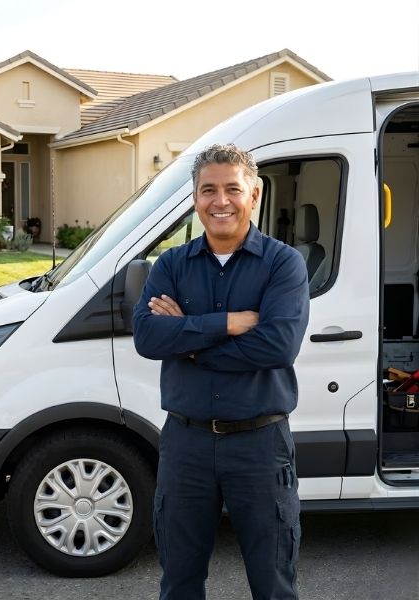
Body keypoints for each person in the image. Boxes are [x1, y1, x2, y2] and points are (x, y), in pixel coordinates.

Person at [132, 143, 310, 600]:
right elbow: (148, 338)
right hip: (185, 445)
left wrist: (188, 343)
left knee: (273, 584)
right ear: (195, 198)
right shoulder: (170, 265)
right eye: (208, 190)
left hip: (259, 445)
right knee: (179, 582)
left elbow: (277, 345)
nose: (221, 200)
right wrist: (228, 324)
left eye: (233, 188)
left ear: (254, 195)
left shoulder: (283, 264)